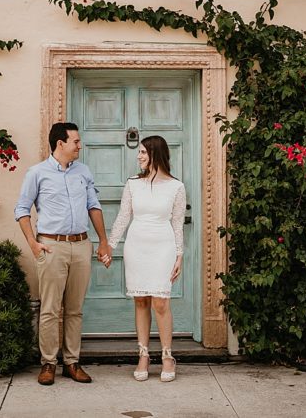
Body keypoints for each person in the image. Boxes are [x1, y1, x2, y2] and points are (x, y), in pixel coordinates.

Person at [14, 122, 113, 386]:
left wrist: (103, 241)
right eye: (76, 141)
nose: (80, 146)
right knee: (50, 309)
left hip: (81, 245)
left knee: (75, 309)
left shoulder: (83, 172)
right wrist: (33, 244)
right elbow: (22, 210)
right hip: (51, 246)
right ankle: (48, 363)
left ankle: (72, 362)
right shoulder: (37, 173)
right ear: (61, 143)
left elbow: (93, 205)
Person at [107, 135, 187, 382]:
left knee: (160, 303)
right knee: (141, 300)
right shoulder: (133, 184)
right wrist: (110, 246)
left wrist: (179, 255)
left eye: (143, 152)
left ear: (155, 154)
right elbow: (123, 216)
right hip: (136, 246)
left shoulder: (176, 187)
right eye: (139, 152)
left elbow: (177, 224)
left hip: (163, 247)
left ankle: (167, 356)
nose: (139, 156)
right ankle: (143, 355)